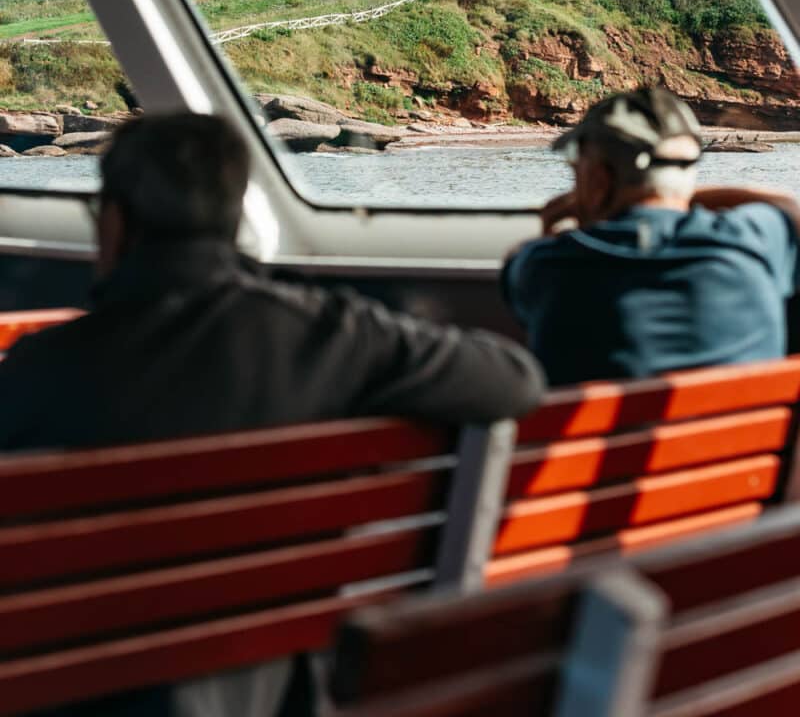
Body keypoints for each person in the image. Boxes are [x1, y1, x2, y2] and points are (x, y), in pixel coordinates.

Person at [0, 112, 544, 717]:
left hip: (72, 698)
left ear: (115, 222)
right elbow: (513, 380)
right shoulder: (332, 337)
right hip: (275, 691)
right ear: (235, 218)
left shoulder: (35, 372)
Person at [504, 86, 800, 386]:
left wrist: (590, 203)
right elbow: (787, 206)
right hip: (748, 433)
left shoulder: (545, 267)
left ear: (600, 179)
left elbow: (518, 259)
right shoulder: (754, 239)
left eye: (575, 164)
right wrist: (669, 192)